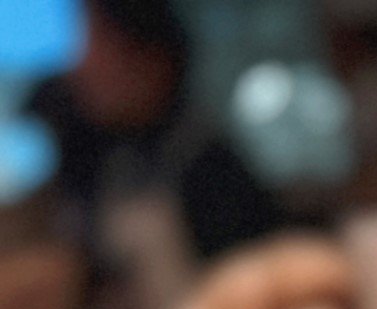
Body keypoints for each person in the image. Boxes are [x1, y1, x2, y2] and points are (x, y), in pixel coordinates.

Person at [29, 0, 285, 269]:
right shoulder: (93, 153)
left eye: (95, 39)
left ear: (151, 55)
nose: (79, 65)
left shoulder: (210, 166)